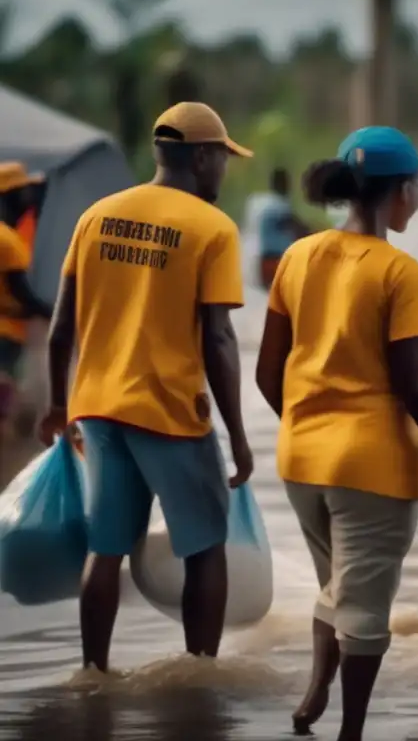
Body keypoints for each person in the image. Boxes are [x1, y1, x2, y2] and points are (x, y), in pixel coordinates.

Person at [254, 126, 418, 741]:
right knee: (366, 610)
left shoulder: (298, 255)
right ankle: (352, 732)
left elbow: (269, 372)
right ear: (400, 192)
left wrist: (306, 422)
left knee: (338, 585)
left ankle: (316, 691)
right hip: (371, 466)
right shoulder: (400, 273)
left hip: (298, 460)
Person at [37, 102, 254, 673]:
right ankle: (200, 677)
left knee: (105, 551)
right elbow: (219, 340)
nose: (224, 171)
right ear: (202, 157)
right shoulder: (211, 228)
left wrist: (60, 405)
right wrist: (238, 433)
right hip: (169, 412)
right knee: (206, 548)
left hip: (100, 411)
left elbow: (62, 329)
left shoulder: (97, 216)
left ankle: (93, 674)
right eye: (223, 158)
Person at [0, 214, 51, 444]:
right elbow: (21, 291)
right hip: (6, 330)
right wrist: (52, 310)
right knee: (5, 379)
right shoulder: (6, 239)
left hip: (9, 326)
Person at [257, 167, 309, 290]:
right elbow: (297, 227)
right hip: (278, 259)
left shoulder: (265, 205)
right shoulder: (279, 205)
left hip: (265, 258)